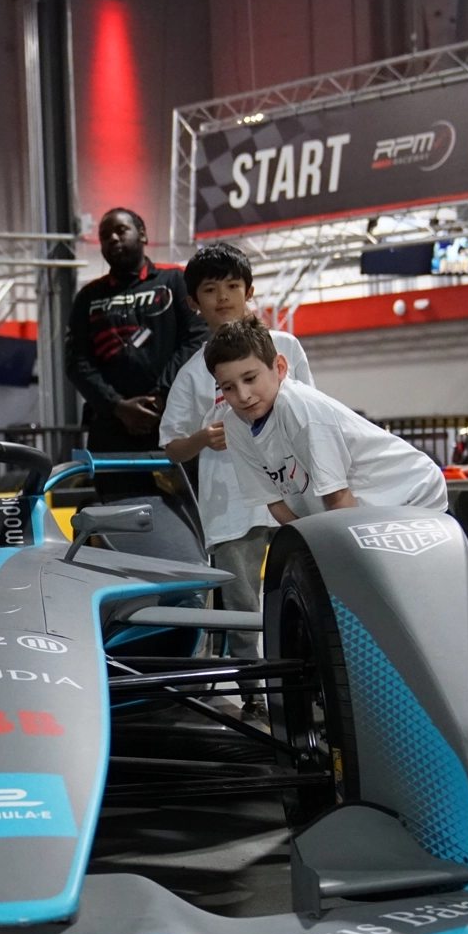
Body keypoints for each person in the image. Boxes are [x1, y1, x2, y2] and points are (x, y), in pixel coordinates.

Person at [159, 243, 314, 710]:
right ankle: (258, 701)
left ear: (249, 291)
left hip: (295, 494)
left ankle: (309, 693)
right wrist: (203, 439)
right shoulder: (191, 374)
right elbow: (171, 445)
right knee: (245, 610)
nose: (223, 297)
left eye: (232, 286)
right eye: (210, 289)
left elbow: (313, 413)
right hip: (231, 508)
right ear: (194, 303)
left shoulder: (285, 347)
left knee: (305, 597)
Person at [213, 316, 446, 523]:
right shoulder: (235, 426)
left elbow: (338, 499)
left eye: (251, 378)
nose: (243, 395)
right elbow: (275, 503)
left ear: (280, 368)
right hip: (359, 511)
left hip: (413, 494)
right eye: (229, 387)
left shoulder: (297, 406)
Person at [66, 207, 207, 492]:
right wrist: (118, 406)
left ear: (142, 234)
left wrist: (160, 397)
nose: (113, 239)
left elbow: (196, 339)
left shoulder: (174, 282)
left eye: (121, 230)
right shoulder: (88, 298)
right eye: (105, 236)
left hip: (174, 420)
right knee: (117, 518)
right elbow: (77, 362)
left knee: (185, 514)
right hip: (112, 428)